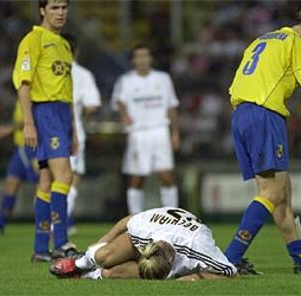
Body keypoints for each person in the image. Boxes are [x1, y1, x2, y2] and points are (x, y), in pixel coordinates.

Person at [224, 8, 301, 275]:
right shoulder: (298, 43)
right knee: (272, 193)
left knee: (281, 192)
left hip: (242, 115)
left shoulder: (261, 40)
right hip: (265, 114)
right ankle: (230, 258)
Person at [12, 0, 78, 262]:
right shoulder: (33, 39)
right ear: (42, 10)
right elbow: (23, 84)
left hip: (61, 114)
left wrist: (72, 130)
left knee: (47, 179)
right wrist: (28, 122)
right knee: (65, 174)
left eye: (63, 7)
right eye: (54, 7)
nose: (60, 12)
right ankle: (61, 242)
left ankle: (41, 249)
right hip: (45, 111)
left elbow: (67, 91)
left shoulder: (63, 44)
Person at [50, 207, 238, 280]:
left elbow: (230, 273)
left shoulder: (197, 247)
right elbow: (127, 221)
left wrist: (192, 278)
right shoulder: (144, 230)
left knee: (110, 273)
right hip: (159, 230)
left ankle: (88, 276)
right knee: (104, 255)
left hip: (182, 235)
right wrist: (103, 240)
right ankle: (78, 263)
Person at [111, 44, 181, 215]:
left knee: (166, 176)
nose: (142, 59)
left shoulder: (163, 79)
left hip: (160, 130)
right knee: (137, 178)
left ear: (151, 58)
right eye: (139, 56)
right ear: (133, 60)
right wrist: (124, 115)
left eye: (145, 55)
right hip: (138, 133)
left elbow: (172, 106)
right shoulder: (125, 81)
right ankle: (135, 217)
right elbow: (118, 102)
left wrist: (175, 132)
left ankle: (172, 216)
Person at [63, 34, 101, 232]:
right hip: (73, 127)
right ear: (77, 51)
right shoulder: (82, 74)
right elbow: (92, 105)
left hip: (46, 125)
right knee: (73, 176)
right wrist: (80, 115)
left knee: (51, 176)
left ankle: (54, 222)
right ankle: (62, 222)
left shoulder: (46, 69)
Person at [0, 101, 39, 235]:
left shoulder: (33, 95)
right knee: (10, 186)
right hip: (20, 148)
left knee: (44, 185)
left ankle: (61, 223)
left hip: (33, 148)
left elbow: (33, 119)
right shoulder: (21, 96)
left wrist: (9, 128)